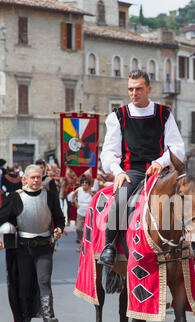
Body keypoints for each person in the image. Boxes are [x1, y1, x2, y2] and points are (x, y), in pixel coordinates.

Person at [99, 69, 185, 265]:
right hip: (132, 172)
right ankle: (109, 246)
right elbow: (108, 152)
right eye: (130, 89)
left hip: (162, 172)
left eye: (138, 89)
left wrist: (160, 162)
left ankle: (192, 242)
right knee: (121, 198)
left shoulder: (164, 114)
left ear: (149, 89)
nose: (133, 93)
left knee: (189, 196)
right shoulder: (118, 116)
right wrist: (118, 172)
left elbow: (177, 148)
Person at [0, 164, 65, 322]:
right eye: (33, 177)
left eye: (38, 177)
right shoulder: (15, 198)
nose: (36, 180)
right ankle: (25, 318)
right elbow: (2, 218)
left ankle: (48, 317)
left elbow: (59, 218)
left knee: (44, 280)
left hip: (44, 246)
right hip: (22, 248)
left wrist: (58, 229)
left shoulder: (50, 196)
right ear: (26, 179)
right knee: (25, 283)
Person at [72, 176, 93, 252]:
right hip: (80, 211)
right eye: (83, 183)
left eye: (86, 183)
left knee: (87, 230)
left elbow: (96, 198)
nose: (84, 184)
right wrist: (76, 203)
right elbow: (73, 196)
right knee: (78, 228)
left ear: (89, 184)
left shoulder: (91, 191)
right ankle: (81, 241)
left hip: (89, 212)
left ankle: (83, 246)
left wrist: (92, 194)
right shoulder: (79, 190)